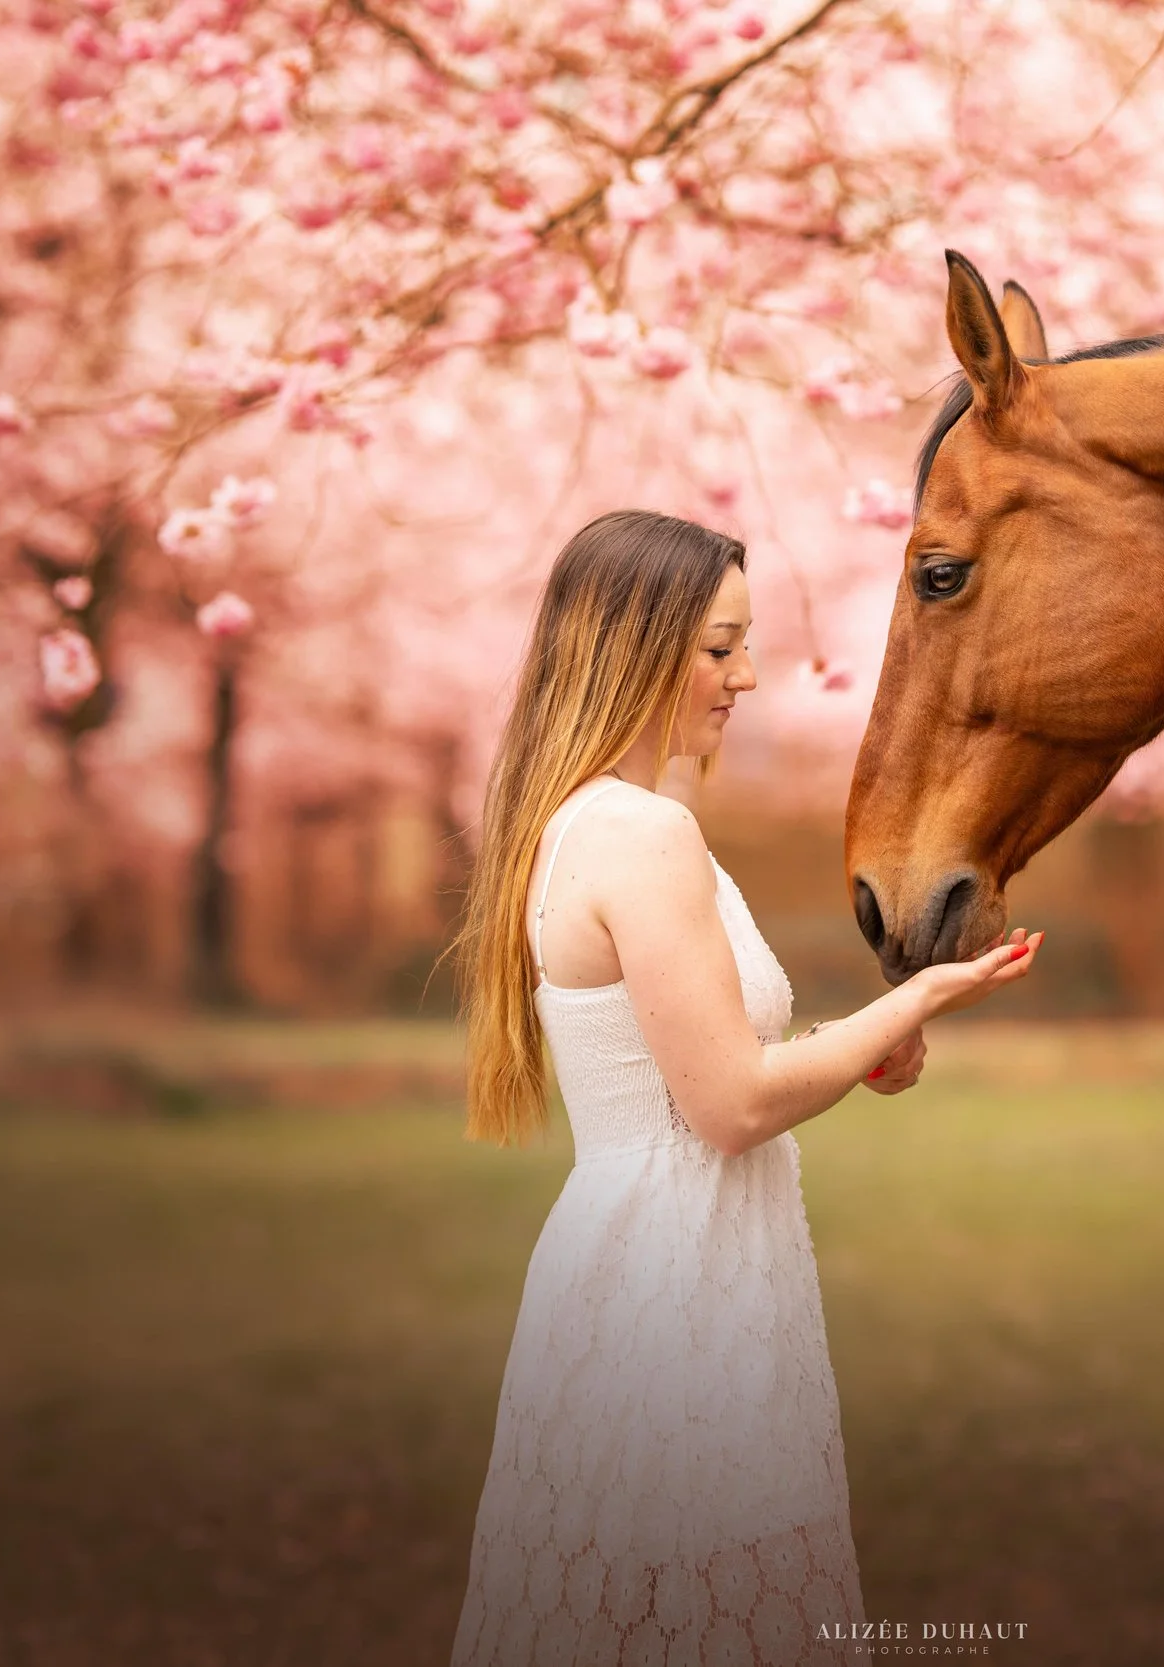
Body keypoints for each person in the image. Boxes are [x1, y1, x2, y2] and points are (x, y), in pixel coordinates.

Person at [447, 509, 1042, 1665]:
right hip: (675, 1280)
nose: (749, 676)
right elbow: (728, 1107)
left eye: (745, 644)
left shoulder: (589, 823)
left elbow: (702, 1064)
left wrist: (848, 1042)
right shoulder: (645, 833)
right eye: (720, 647)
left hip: (662, 1259)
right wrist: (909, 1003)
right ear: (634, 642)